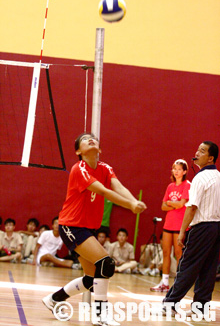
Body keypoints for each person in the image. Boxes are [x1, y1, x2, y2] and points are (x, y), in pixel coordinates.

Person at [42, 132, 146, 325]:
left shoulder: (105, 168)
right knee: (106, 264)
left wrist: (133, 200)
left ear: (100, 148)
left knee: (92, 278)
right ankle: (101, 316)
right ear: (78, 151)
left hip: (87, 228)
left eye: (93, 138)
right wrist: (129, 206)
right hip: (72, 225)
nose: (90, 139)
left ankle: (53, 299)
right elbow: (105, 191)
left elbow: (118, 186)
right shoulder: (79, 169)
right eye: (84, 140)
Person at [162, 141, 220, 317]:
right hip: (217, 228)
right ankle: (200, 308)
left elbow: (191, 207)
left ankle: (170, 303)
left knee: (187, 266)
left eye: (202, 151)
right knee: (209, 268)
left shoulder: (200, 178)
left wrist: (182, 231)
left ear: (210, 158)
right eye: (198, 149)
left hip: (202, 227)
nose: (197, 152)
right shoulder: (218, 176)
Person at [151, 159, 191, 292]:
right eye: (175, 169)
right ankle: (164, 282)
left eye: (179, 169)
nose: (176, 171)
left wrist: (170, 203)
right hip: (168, 223)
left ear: (184, 171)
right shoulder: (170, 186)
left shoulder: (187, 185)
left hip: (180, 225)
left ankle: (179, 284)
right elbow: (163, 206)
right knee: (166, 253)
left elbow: (181, 204)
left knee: (179, 254)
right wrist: (173, 203)